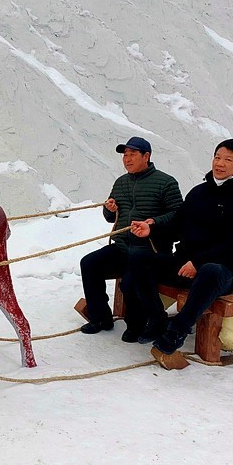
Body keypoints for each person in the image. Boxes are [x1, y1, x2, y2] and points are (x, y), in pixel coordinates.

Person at [128, 138, 233, 370]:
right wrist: (153, 228)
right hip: (186, 263)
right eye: (217, 157)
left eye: (228, 160)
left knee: (211, 270)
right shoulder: (200, 192)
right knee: (138, 259)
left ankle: (177, 331)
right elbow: (179, 223)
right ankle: (158, 320)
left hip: (225, 270)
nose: (220, 164)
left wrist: (199, 262)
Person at [79, 136, 183, 337]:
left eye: (132, 154)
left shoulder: (166, 182)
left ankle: (136, 325)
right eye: (125, 155)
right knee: (89, 263)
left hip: (150, 251)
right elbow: (111, 218)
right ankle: (100, 317)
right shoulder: (120, 182)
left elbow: (179, 216)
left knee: (130, 281)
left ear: (146, 156)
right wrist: (109, 209)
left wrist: (153, 223)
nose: (127, 159)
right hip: (122, 247)